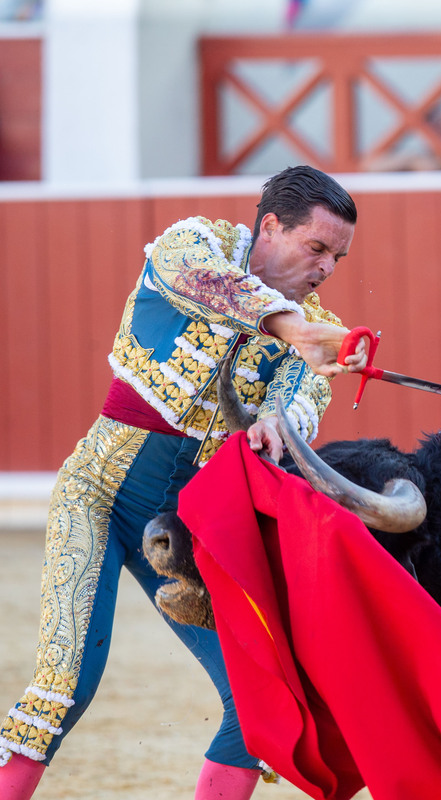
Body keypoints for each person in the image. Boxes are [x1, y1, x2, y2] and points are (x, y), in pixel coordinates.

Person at [0, 165, 369, 800]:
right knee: (65, 684)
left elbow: (296, 402)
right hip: (98, 494)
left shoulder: (317, 330)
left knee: (262, 699)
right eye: (317, 247)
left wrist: (274, 428)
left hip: (180, 533)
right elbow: (208, 286)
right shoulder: (195, 244)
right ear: (271, 226)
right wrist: (294, 331)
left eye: (338, 256)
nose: (327, 267)